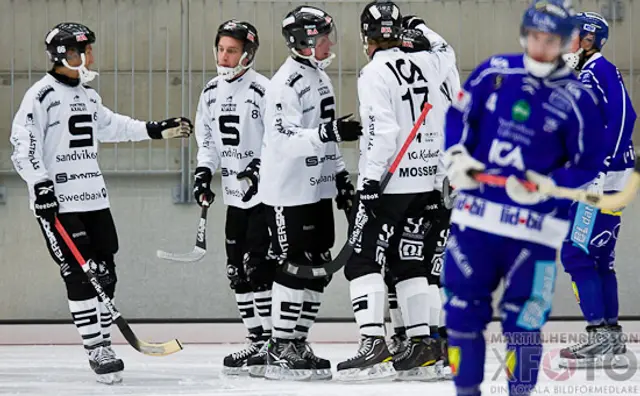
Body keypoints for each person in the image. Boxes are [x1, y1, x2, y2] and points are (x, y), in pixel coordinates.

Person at [441, 1, 610, 395]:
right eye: (534, 37)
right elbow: (458, 117)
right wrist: (457, 156)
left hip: (534, 232)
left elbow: (588, 164)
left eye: (549, 40)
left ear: (566, 42)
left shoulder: (577, 98)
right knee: (461, 313)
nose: (539, 47)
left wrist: (548, 181)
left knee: (525, 321)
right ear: (524, 34)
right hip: (475, 223)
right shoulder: (493, 72)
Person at [9, 22, 193, 384]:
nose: (90, 56)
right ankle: (96, 349)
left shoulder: (89, 96)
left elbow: (112, 126)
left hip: (94, 197)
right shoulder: (40, 95)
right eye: (83, 50)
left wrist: (153, 129)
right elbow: (23, 146)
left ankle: (104, 340)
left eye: (90, 49)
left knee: (106, 271)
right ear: (64, 55)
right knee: (81, 274)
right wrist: (41, 185)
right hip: (59, 204)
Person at [335, 2, 457, 382]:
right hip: (426, 183)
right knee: (410, 263)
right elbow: (446, 51)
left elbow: (382, 132)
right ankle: (422, 344)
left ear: (365, 37)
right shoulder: (429, 62)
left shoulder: (373, 73)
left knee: (362, 263)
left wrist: (369, 182)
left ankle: (373, 344)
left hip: (390, 185)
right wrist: (422, 26)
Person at [257, 5, 360, 381]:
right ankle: (279, 346)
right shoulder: (284, 84)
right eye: (323, 36)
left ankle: (297, 343)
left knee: (318, 270)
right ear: (303, 40)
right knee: (294, 267)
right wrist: (328, 134)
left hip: (317, 189)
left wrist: (341, 179)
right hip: (288, 193)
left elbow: (326, 135)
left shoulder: (319, 77)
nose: (330, 42)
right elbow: (283, 140)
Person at [192, 19, 277, 376]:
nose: (224, 58)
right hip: (232, 198)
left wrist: (259, 167)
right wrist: (201, 174)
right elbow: (208, 142)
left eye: (232, 51)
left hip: (264, 198)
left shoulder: (264, 90)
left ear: (248, 54)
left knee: (258, 269)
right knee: (236, 271)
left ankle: (273, 343)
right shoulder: (210, 91)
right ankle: (255, 340)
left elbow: (278, 138)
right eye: (221, 50)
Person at [558, 11, 636, 368]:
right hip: (604, 177)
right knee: (599, 257)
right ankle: (610, 335)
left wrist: (604, 163)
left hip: (600, 180)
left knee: (576, 253)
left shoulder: (597, 71)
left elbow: (625, 115)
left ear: (588, 40)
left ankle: (599, 336)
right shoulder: (586, 73)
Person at [384, 25, 460, 381]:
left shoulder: (419, 83)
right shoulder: (445, 72)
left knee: (409, 268)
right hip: (449, 182)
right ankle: (442, 344)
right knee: (433, 272)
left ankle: (422, 343)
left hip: (428, 184)